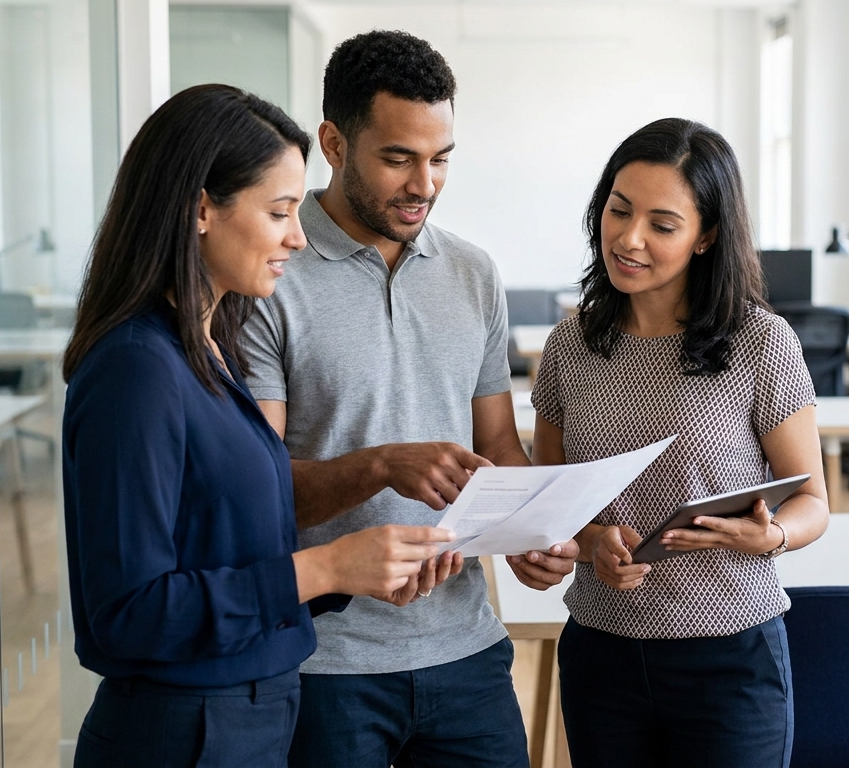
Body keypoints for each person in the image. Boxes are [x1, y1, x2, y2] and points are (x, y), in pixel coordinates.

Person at [60, 84, 452, 768]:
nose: (297, 237)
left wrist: (356, 573)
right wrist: (324, 564)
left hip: (253, 715)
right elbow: (128, 614)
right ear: (201, 210)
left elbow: (225, 550)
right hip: (183, 732)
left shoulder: (212, 348)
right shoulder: (136, 369)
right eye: (279, 212)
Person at [238, 31, 575, 768]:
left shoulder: (472, 273)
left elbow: (499, 448)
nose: (424, 183)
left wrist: (531, 532)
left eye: (441, 158)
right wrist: (382, 464)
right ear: (333, 142)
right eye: (397, 158)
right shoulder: (269, 276)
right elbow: (256, 498)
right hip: (323, 664)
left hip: (467, 646)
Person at [530, 118, 831, 768]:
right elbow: (547, 506)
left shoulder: (761, 342)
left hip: (730, 656)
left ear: (707, 236)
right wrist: (588, 545)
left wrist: (771, 535)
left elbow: (812, 501)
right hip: (602, 649)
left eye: (662, 225)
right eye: (618, 210)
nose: (629, 238)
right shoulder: (568, 347)